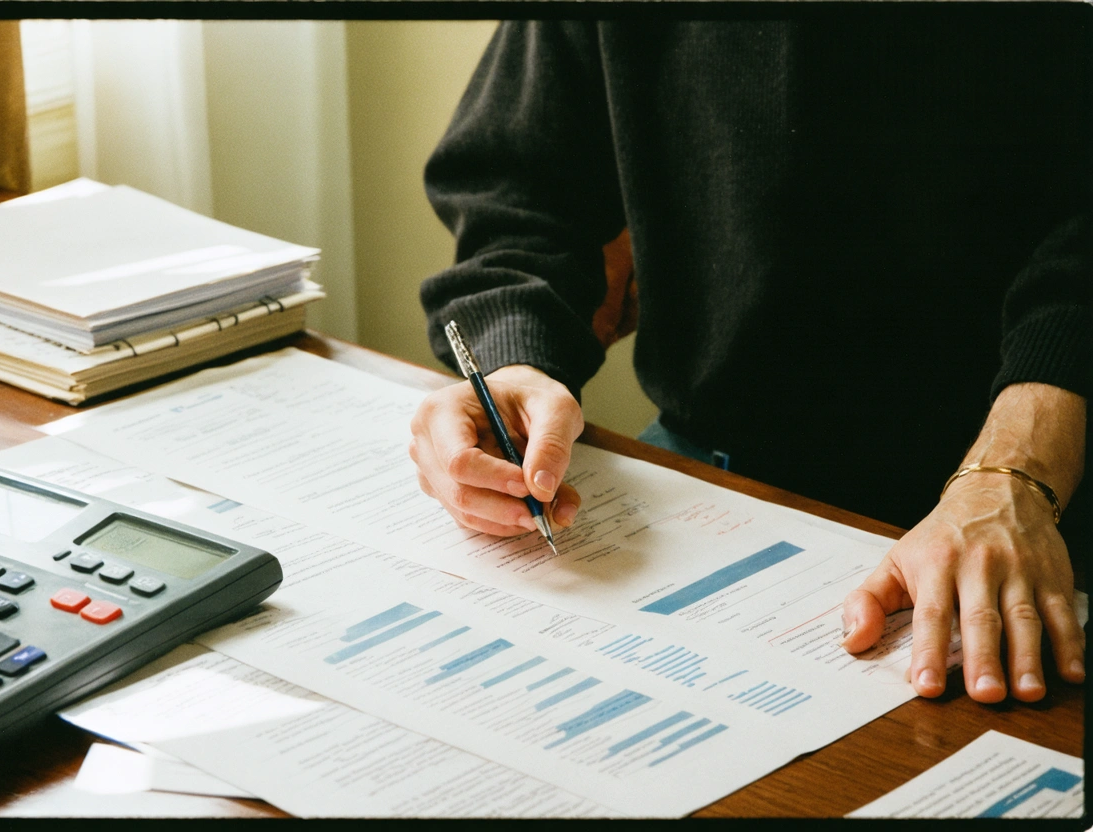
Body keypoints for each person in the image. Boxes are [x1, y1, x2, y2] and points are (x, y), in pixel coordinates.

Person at [408, 16, 1089, 706]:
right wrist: (512, 360)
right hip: (711, 458)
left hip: (1032, 477)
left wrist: (1016, 469)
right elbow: (521, 189)